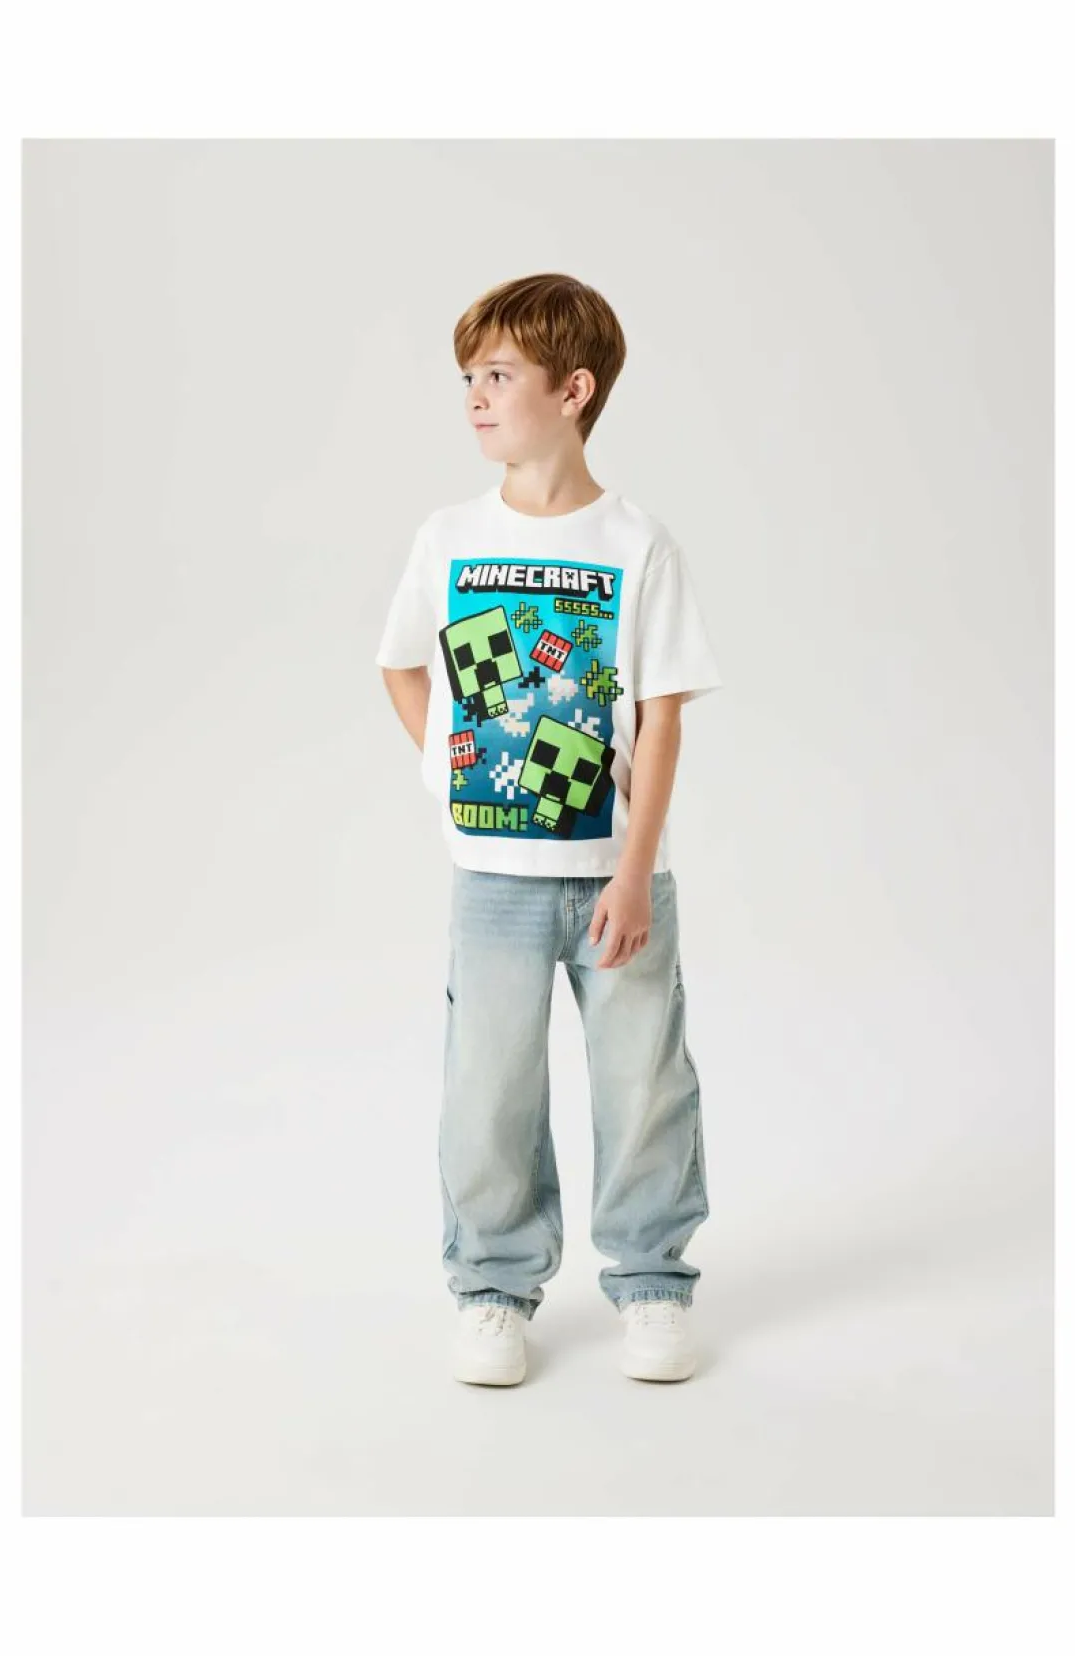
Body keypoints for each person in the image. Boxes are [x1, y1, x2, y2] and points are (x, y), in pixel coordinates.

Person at [374, 273, 723, 1386]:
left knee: (643, 1083)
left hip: (617, 876)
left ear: (573, 392)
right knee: (488, 1093)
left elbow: (660, 722)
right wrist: (448, 776)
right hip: (493, 880)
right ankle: (491, 1290)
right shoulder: (447, 536)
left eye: (498, 375)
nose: (474, 397)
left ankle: (653, 1283)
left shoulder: (637, 544)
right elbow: (402, 666)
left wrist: (634, 870)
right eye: (467, 378)